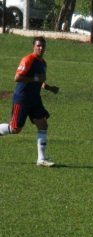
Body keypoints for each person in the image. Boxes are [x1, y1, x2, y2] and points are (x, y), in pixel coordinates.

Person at [0, 36, 60, 167]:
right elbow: (17, 77)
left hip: (35, 99)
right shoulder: (28, 60)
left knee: (43, 125)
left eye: (43, 46)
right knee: (15, 129)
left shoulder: (43, 63)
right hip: (22, 98)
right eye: (38, 46)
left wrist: (50, 88)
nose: (41, 48)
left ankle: (41, 159)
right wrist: (34, 78)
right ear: (33, 46)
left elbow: (40, 80)